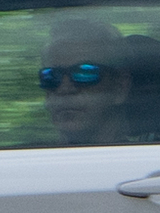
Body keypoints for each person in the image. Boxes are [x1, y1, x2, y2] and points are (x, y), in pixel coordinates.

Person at [37, 18, 134, 146]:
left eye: (84, 73)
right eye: (51, 75)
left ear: (120, 86)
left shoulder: (148, 159)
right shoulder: (25, 160)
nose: (64, 88)